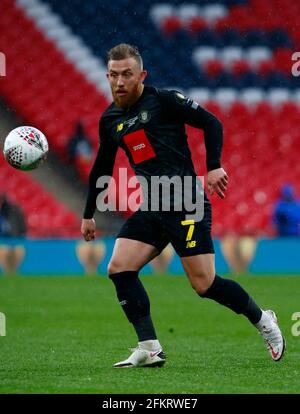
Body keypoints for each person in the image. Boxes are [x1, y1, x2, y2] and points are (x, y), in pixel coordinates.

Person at [81, 43, 285, 367]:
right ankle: (149, 348)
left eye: (127, 74)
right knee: (119, 268)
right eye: (114, 75)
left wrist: (214, 165)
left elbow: (211, 123)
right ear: (107, 76)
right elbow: (102, 167)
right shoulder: (111, 119)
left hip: (186, 201)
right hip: (152, 205)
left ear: (141, 75)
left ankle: (264, 320)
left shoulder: (164, 100)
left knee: (204, 285)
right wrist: (89, 213)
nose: (120, 81)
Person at [0, 193, 27, 274]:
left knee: (19, 250)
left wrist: (20, 235)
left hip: (13, 239)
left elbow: (21, 224)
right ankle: (8, 272)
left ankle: (12, 272)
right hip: (2, 241)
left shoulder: (12, 210)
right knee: (3, 251)